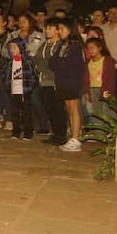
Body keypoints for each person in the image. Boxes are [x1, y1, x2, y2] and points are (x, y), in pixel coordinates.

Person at [50, 18, 85, 153]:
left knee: (74, 108)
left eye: (62, 29)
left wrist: (59, 62)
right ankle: (74, 137)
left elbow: (69, 64)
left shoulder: (75, 45)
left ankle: (76, 138)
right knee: (69, 109)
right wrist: (59, 62)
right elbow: (52, 62)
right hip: (62, 81)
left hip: (72, 81)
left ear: (70, 30)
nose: (59, 31)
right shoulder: (62, 44)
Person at [35, 18, 68, 146]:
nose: (46, 31)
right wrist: (43, 65)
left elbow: (54, 63)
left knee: (58, 108)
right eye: (45, 28)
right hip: (44, 81)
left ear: (57, 30)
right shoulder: (44, 45)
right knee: (49, 108)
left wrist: (44, 64)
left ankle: (61, 135)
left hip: (55, 82)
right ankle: (55, 133)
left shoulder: (61, 45)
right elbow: (37, 60)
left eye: (50, 28)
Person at [0, 38, 38, 140]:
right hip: (13, 91)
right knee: (14, 112)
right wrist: (7, 87)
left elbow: (33, 76)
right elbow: (5, 76)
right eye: (10, 47)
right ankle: (16, 131)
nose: (12, 49)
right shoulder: (9, 63)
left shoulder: (28, 62)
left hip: (25, 91)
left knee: (26, 112)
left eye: (14, 47)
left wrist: (29, 88)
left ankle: (28, 132)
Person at [84, 37, 116, 116]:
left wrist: (108, 91)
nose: (90, 50)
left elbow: (111, 78)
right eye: (88, 48)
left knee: (107, 111)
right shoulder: (88, 63)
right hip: (92, 89)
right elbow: (86, 79)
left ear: (100, 48)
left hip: (104, 89)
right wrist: (87, 91)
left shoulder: (107, 61)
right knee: (97, 112)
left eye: (92, 48)